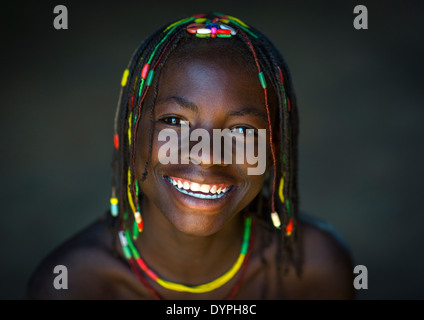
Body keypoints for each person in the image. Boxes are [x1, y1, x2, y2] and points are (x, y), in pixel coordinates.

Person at [27, 13, 354, 300]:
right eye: (174, 121)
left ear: (273, 149)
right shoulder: (72, 285)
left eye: (241, 130)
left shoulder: (313, 270)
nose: (208, 156)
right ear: (131, 131)